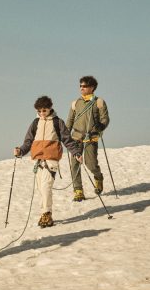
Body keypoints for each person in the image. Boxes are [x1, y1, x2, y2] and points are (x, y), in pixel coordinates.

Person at [14, 96, 82, 228]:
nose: (41, 114)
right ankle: (44, 213)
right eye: (39, 111)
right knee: (41, 189)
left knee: (46, 186)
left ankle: (47, 213)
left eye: (44, 110)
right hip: (38, 160)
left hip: (51, 159)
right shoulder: (35, 123)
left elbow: (67, 140)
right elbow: (28, 142)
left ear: (50, 108)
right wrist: (20, 151)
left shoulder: (58, 122)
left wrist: (76, 153)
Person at [66, 75, 110, 201]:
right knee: (74, 164)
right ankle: (78, 191)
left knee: (90, 163)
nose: (81, 88)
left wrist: (101, 126)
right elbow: (70, 120)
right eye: (80, 86)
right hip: (76, 137)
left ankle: (98, 177)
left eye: (84, 86)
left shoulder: (99, 102)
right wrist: (65, 134)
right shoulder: (75, 103)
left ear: (92, 87)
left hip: (91, 137)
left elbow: (105, 118)